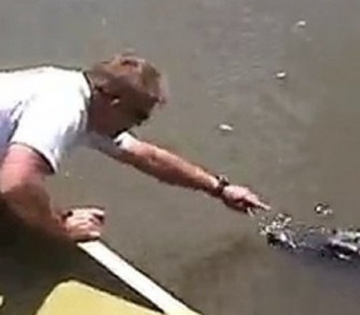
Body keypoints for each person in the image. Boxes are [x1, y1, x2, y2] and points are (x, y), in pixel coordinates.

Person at [0, 52, 270, 242]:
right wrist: (62, 228)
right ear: (115, 103)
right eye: (139, 116)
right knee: (21, 201)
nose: (139, 125)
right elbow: (15, 182)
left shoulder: (82, 96)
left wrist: (220, 189)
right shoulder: (64, 108)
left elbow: (148, 157)